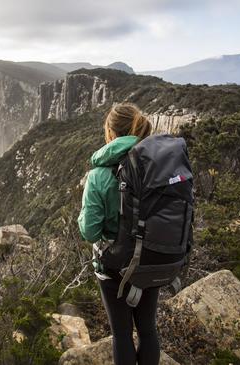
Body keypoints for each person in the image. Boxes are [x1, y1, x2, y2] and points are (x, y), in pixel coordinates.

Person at [78, 102, 159, 365]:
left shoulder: (99, 175)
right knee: (147, 329)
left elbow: (90, 232)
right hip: (153, 258)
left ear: (111, 134)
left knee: (122, 334)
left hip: (116, 266)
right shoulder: (157, 163)